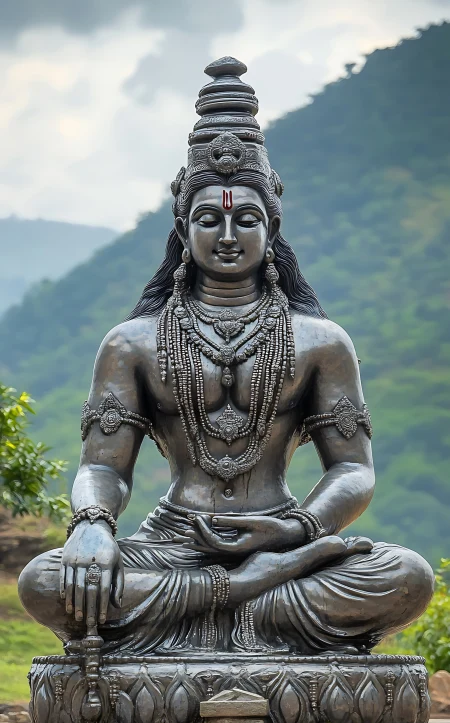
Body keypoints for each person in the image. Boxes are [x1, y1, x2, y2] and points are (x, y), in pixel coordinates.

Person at [19, 57, 433, 657]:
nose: (229, 234)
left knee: (406, 576)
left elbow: (353, 469)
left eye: (247, 217)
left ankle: (222, 601)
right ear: (183, 229)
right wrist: (92, 527)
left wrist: (297, 531)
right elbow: (104, 467)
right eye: (209, 218)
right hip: (172, 541)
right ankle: (244, 595)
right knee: (48, 580)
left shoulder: (320, 341)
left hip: (286, 540)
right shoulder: (133, 342)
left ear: (273, 227)